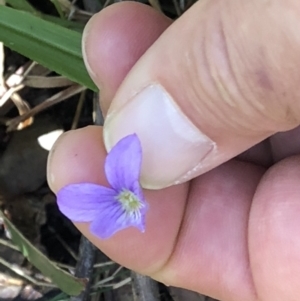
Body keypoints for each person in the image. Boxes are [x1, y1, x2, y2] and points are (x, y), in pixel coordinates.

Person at [47, 1, 300, 300]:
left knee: (115, 41)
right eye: (131, 200)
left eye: (129, 198)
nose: (130, 200)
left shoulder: (129, 169)